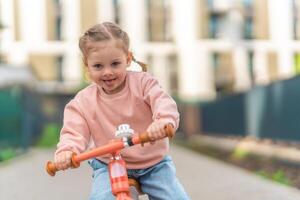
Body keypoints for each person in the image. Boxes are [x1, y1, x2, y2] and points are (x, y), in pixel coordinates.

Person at [54, 21, 190, 200]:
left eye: (115, 63)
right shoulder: (82, 102)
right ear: (87, 65)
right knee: (101, 197)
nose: (107, 72)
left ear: (127, 59)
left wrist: (163, 121)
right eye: (98, 66)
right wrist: (67, 150)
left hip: (153, 163)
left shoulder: (144, 83)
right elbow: (74, 131)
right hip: (108, 163)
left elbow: (162, 102)